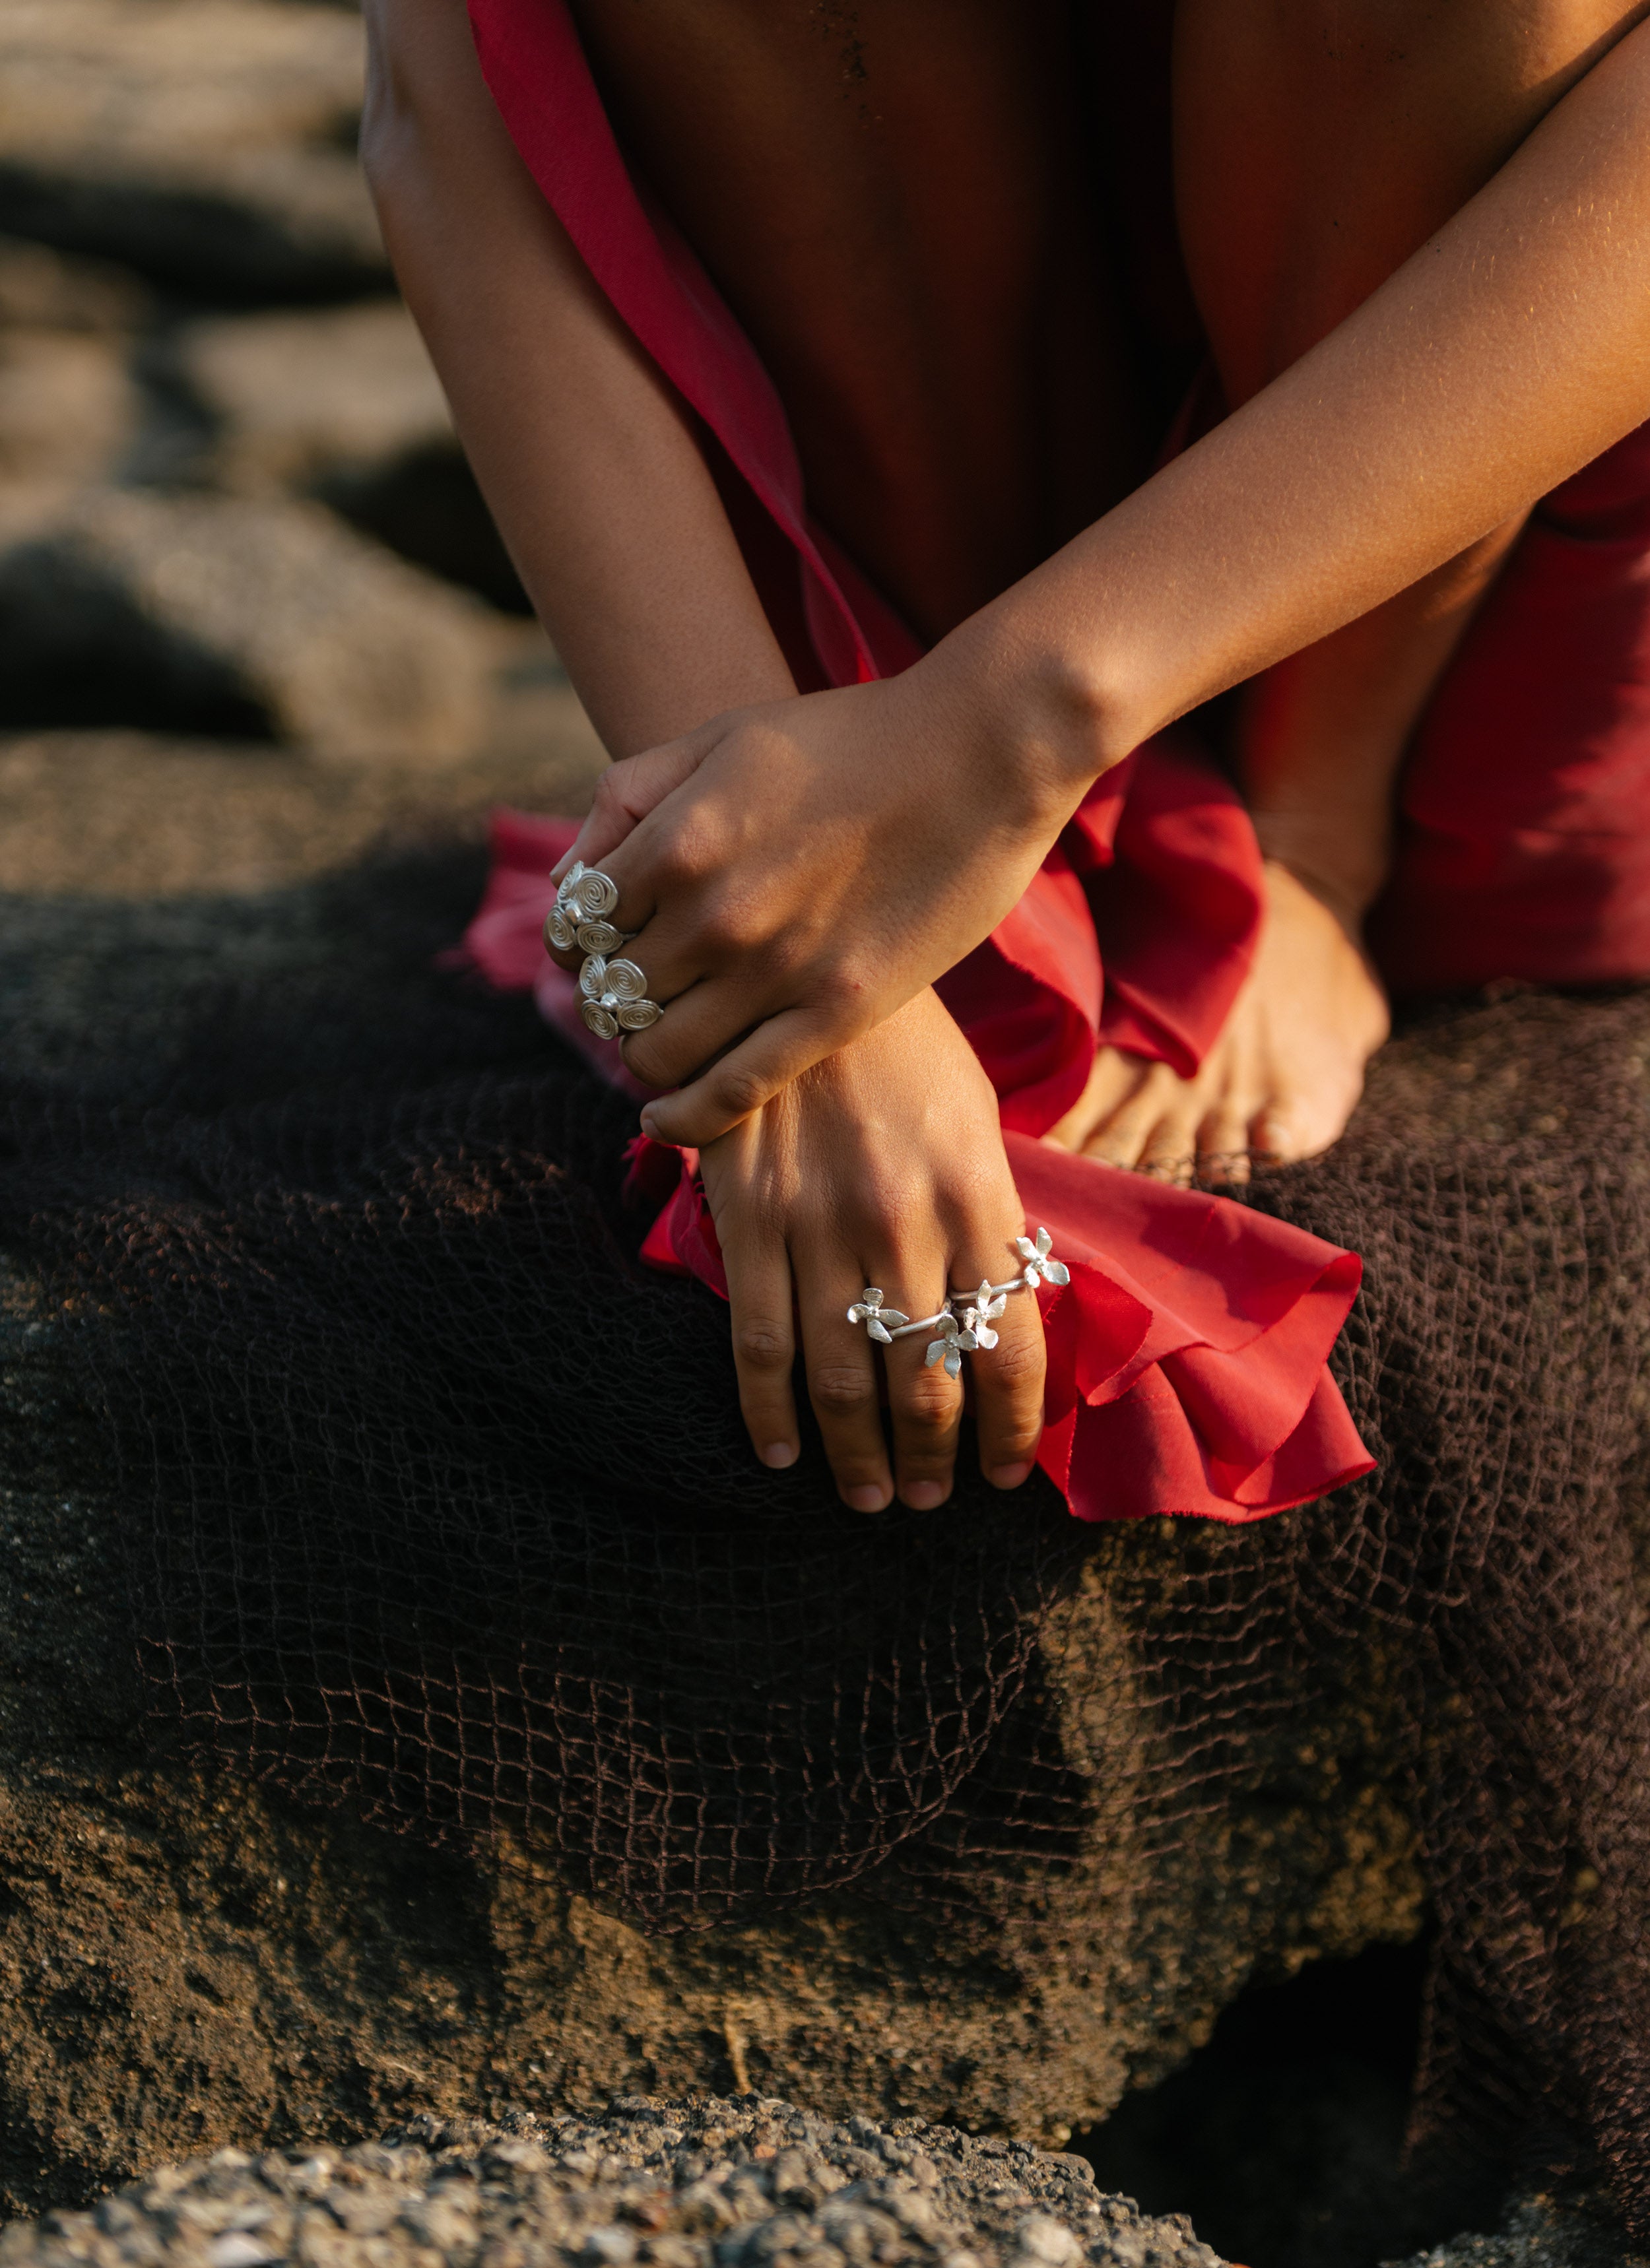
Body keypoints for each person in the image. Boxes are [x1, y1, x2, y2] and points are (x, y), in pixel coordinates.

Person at [362, 0, 1650, 1524]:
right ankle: (899, 794)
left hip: (1463, 567)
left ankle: (1292, 836)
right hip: (915, 585)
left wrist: (1024, 722)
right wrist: (778, 940)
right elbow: (448, 86)